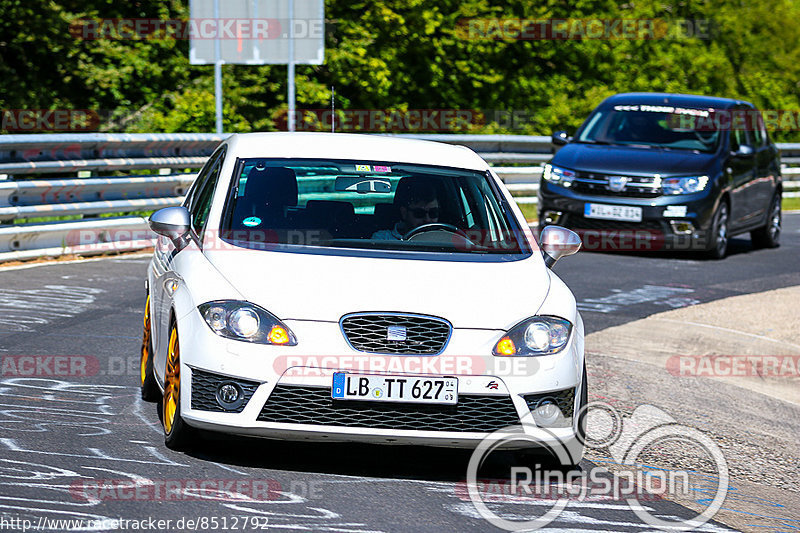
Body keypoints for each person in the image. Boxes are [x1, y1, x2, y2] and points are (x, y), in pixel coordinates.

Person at [372, 179, 440, 240]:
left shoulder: (445, 239)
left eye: (433, 213)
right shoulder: (383, 239)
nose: (427, 220)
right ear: (404, 213)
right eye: (419, 213)